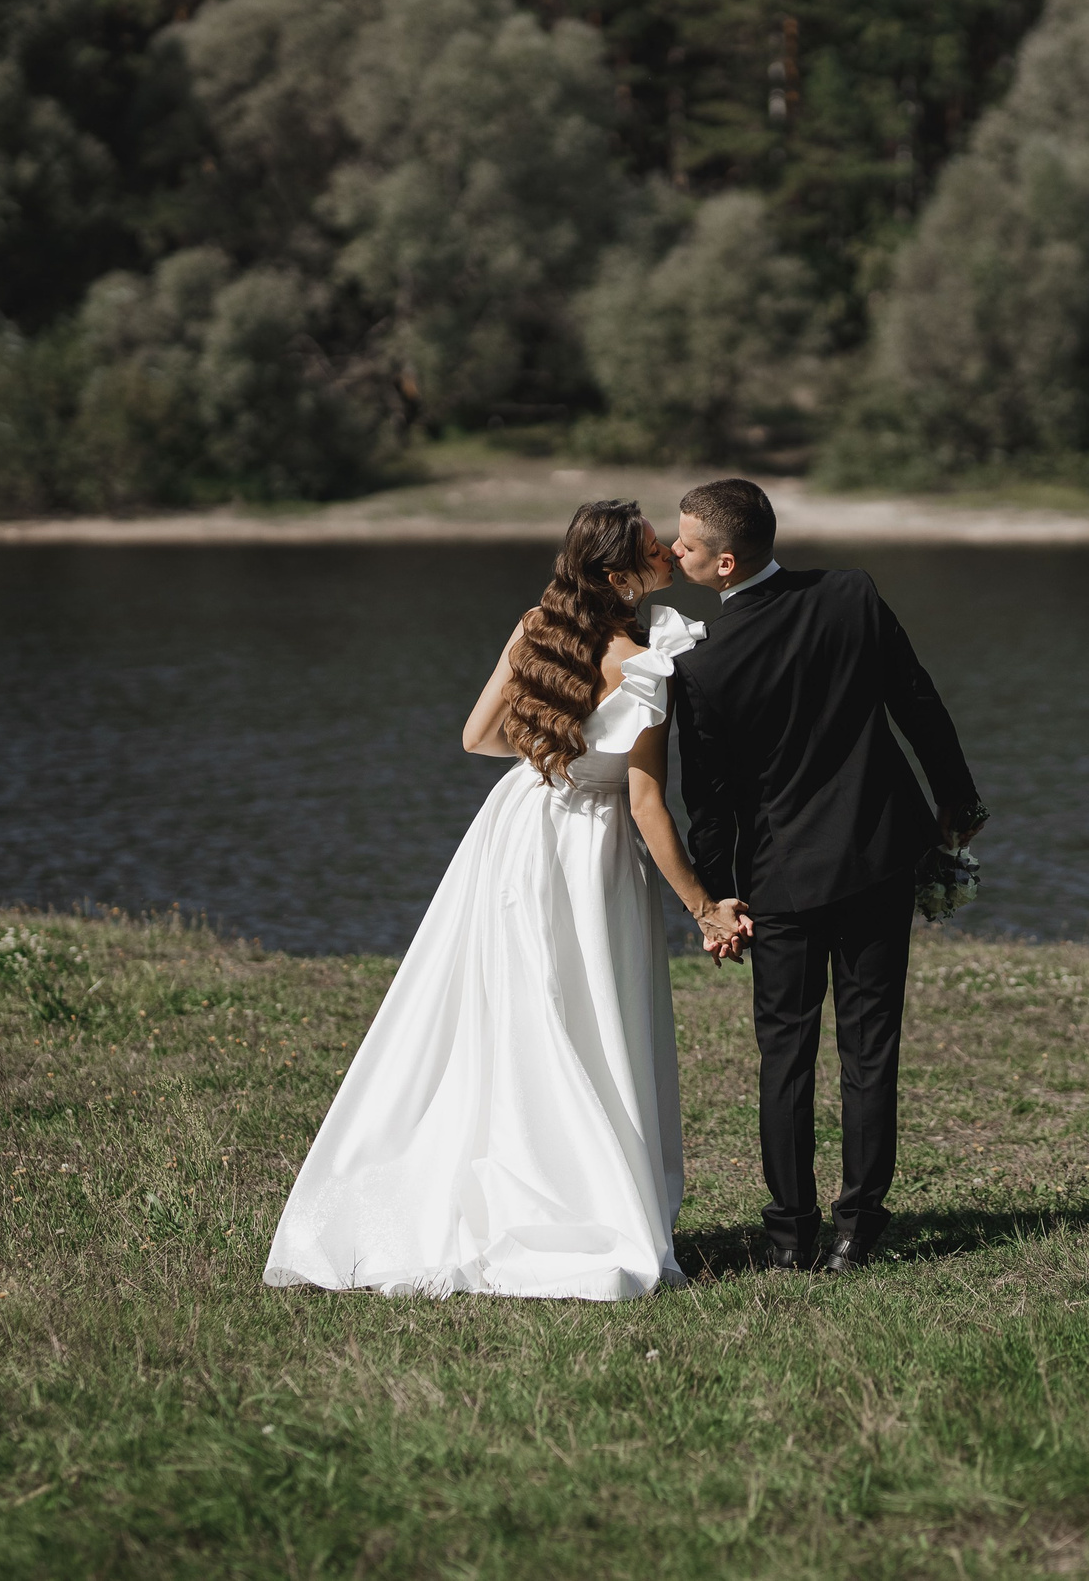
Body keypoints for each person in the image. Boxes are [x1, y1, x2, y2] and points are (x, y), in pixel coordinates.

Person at [263, 501, 749, 1301]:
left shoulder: (537, 628)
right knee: (588, 1011)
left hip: (518, 828)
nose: (667, 554)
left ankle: (515, 1170)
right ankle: (584, 1197)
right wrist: (703, 905)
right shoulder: (643, 664)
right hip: (589, 849)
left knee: (511, 1008)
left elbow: (477, 739)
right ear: (613, 572)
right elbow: (648, 806)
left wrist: (552, 751)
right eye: (653, 549)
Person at [669, 478, 982, 1273]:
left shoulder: (702, 665)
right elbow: (918, 700)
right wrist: (958, 799)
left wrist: (717, 896)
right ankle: (858, 1229)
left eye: (687, 545)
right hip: (877, 855)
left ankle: (789, 1233)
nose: (675, 553)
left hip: (780, 880)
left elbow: (709, 802)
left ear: (725, 562)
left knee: (786, 1053)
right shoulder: (852, 594)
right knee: (871, 1048)